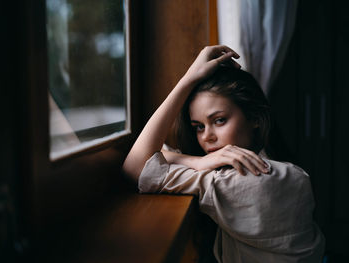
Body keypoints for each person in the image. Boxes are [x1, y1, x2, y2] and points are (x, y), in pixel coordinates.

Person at [123, 45, 325, 262]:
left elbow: (136, 166)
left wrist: (188, 79)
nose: (206, 137)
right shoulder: (286, 170)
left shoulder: (249, 179)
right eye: (198, 126)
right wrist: (201, 161)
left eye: (219, 120)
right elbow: (160, 154)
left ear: (255, 118)